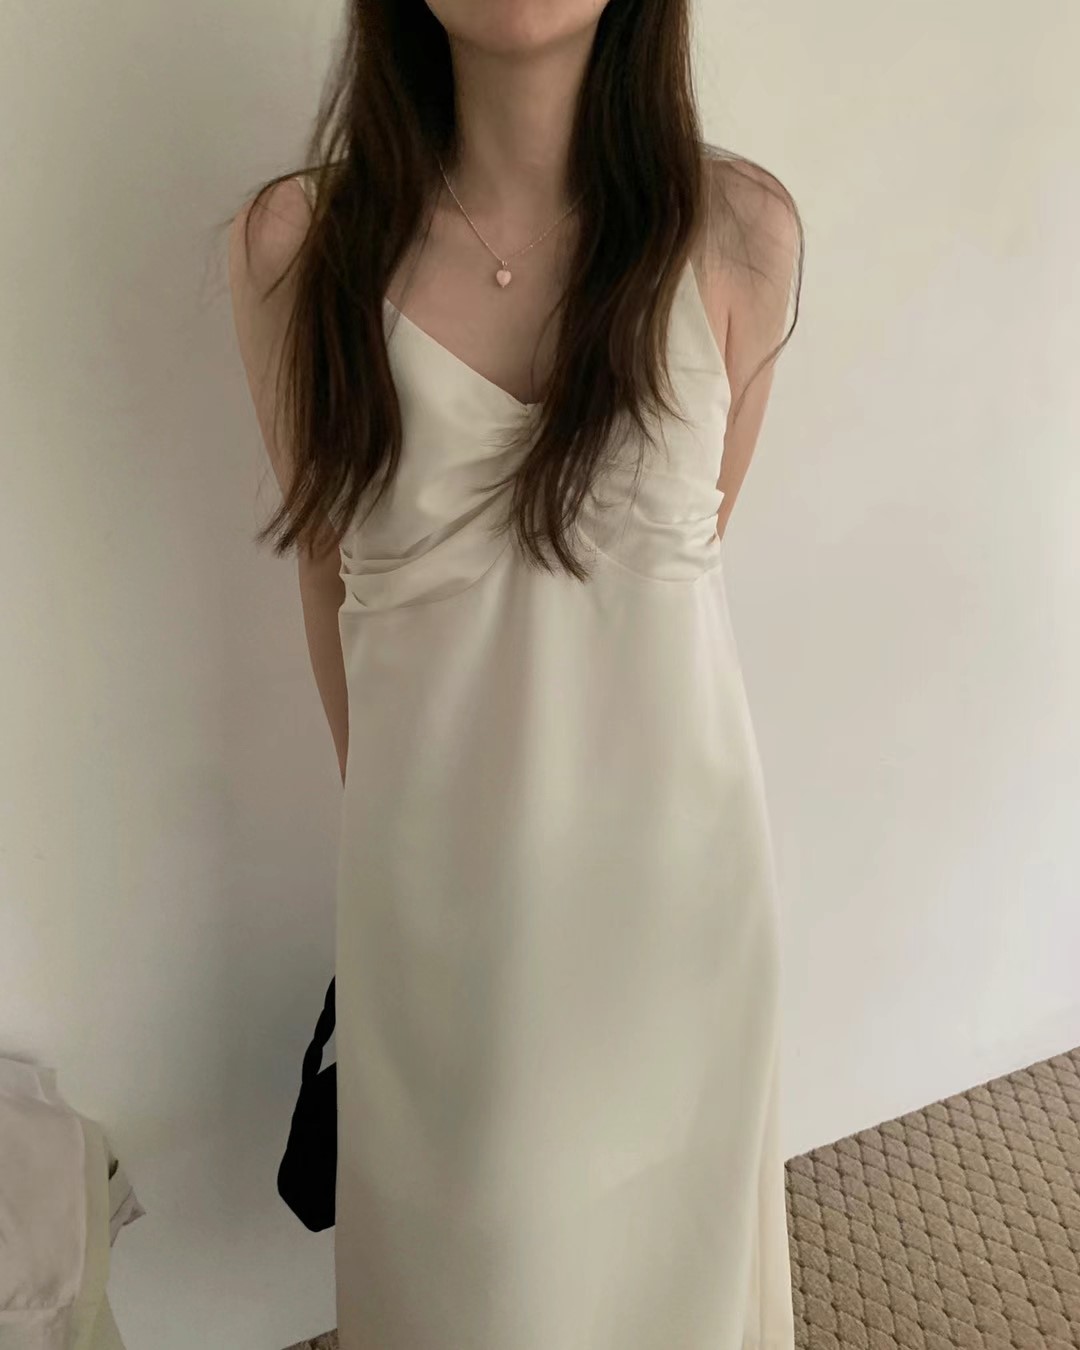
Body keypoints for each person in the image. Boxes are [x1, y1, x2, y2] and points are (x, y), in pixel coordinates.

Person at [228, 2, 803, 1346]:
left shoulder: (741, 235)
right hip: (441, 908)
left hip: (682, 899)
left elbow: (678, 575)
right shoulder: (299, 251)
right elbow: (331, 581)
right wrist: (414, 859)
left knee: (677, 1282)